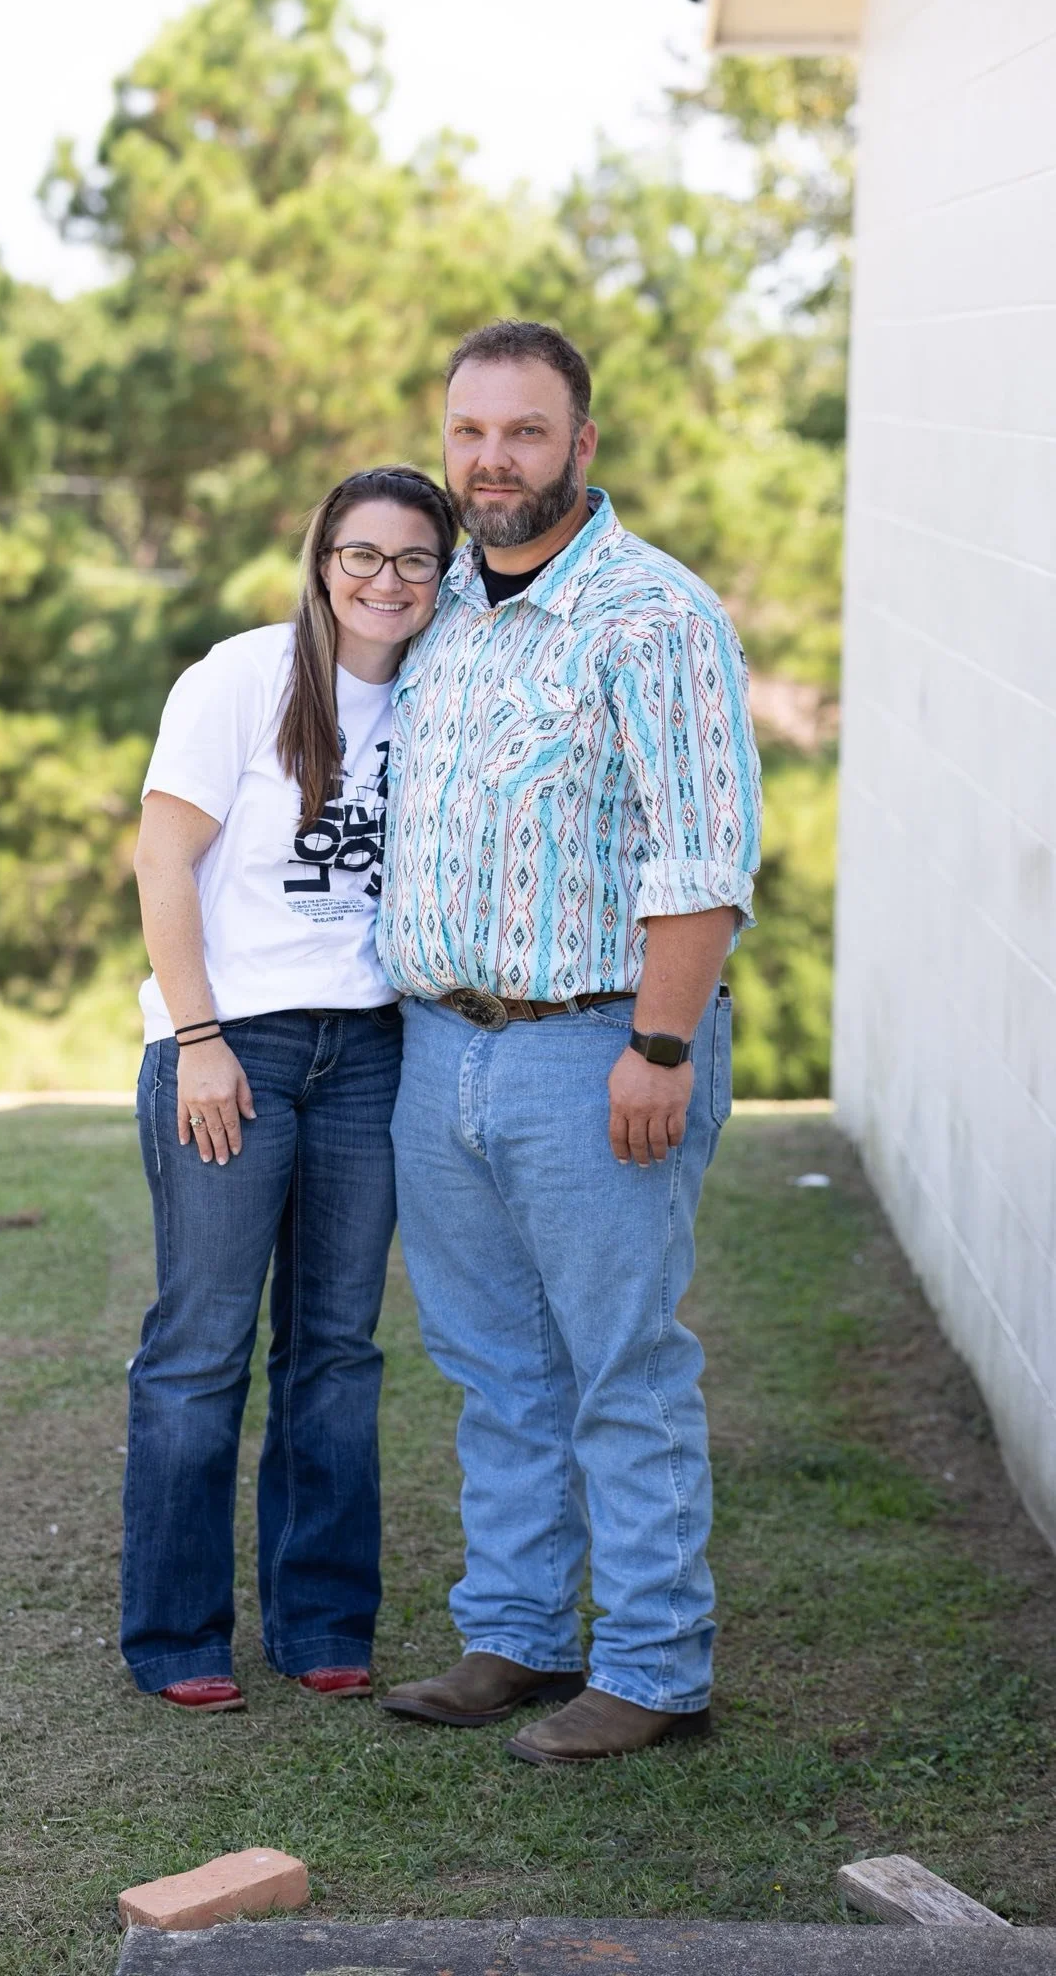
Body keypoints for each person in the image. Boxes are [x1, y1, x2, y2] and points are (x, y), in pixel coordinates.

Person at [376, 321, 761, 1763]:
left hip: (595, 1042)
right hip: (440, 1046)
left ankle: (654, 1666)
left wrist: (659, 1046)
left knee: (621, 1364)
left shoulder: (653, 617)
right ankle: (519, 1631)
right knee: (494, 1364)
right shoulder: (441, 609)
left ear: (580, 445)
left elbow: (702, 853)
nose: (491, 460)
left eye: (523, 432)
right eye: (469, 431)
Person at [122, 464, 456, 1714]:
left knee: (336, 1349)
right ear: (323, 560)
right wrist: (199, 1036)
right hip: (236, 1045)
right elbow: (162, 861)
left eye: (415, 558)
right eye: (362, 553)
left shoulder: (439, 691)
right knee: (201, 1346)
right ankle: (177, 1631)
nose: (386, 579)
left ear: (443, 577)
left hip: (369, 1049)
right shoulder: (240, 677)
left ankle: (319, 1616)